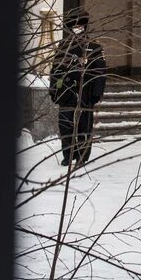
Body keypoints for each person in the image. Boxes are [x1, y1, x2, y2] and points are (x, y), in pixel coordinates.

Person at [49, 12, 107, 168]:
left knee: (84, 126)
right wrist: (54, 90)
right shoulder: (63, 46)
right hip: (66, 93)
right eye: (73, 26)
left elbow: (100, 72)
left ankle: (82, 155)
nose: (76, 29)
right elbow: (55, 70)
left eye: (79, 26)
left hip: (86, 92)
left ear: (84, 27)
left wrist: (96, 93)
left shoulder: (94, 46)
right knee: (65, 125)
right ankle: (68, 154)